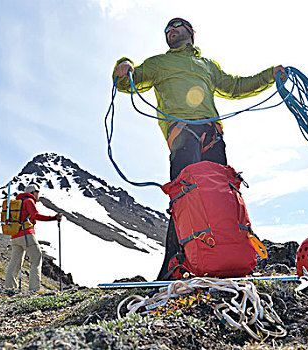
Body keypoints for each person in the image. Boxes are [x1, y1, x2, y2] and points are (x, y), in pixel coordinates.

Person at [113, 17, 286, 280]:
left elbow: (235, 87)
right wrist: (122, 67)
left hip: (212, 132)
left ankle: (228, 258)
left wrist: (269, 76)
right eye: (167, 29)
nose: (171, 30)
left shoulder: (208, 66)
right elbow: (128, 83)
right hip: (182, 131)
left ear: (191, 32)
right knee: (184, 196)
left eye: (177, 25)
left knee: (223, 194)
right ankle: (175, 266)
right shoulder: (157, 64)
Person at [5, 183, 63, 291]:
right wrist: (54, 218)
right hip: (26, 234)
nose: (38, 195)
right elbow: (35, 215)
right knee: (36, 258)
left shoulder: (18, 203)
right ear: (33, 192)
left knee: (15, 263)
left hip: (15, 236)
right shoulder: (29, 201)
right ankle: (34, 289)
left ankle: (10, 289)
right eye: (37, 192)